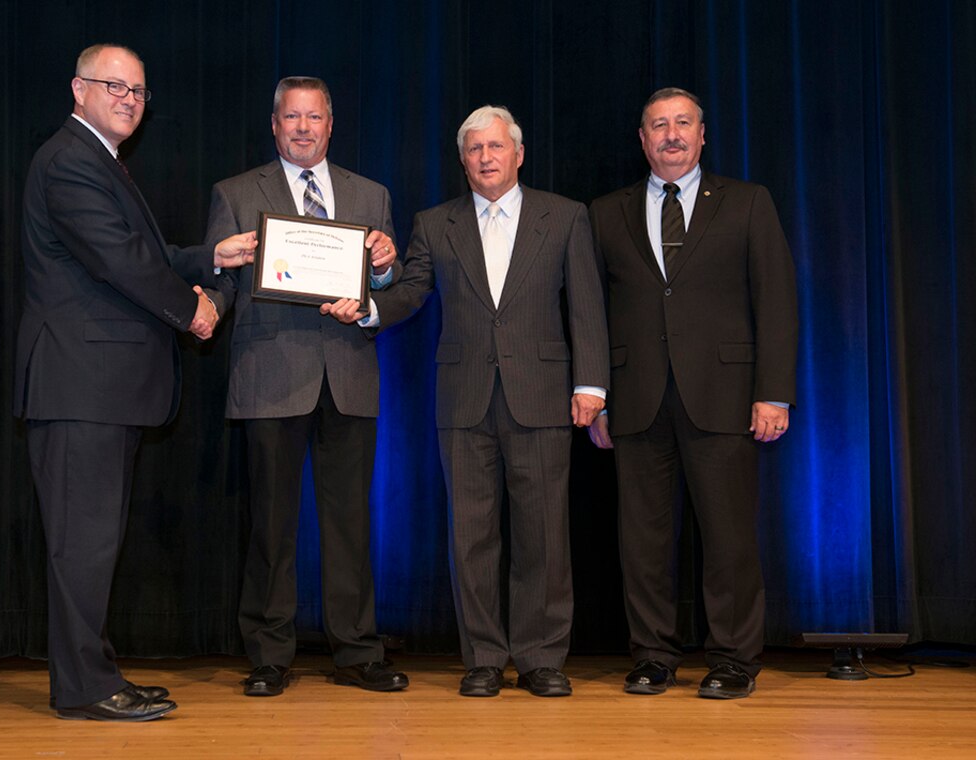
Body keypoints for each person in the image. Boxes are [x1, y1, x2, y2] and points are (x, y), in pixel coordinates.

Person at [14, 43, 255, 721]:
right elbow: (123, 264)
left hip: (99, 386)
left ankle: (92, 675)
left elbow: (142, 255)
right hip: (80, 384)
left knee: (92, 544)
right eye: (113, 86)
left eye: (138, 91)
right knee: (82, 545)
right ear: (78, 89)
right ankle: (87, 689)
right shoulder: (69, 162)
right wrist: (195, 309)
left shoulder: (98, 161)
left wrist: (213, 254)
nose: (127, 99)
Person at [366, 105, 609, 697]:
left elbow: (586, 303)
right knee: (470, 535)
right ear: (463, 160)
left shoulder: (566, 216)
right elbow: (412, 291)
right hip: (464, 400)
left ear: (518, 154)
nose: (486, 158)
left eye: (496, 147)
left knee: (544, 535)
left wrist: (592, 385)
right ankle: (481, 657)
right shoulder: (435, 222)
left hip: (543, 395)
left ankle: (541, 657)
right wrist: (371, 307)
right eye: (474, 149)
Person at [587, 87, 798, 699]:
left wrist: (774, 394)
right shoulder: (606, 212)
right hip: (636, 397)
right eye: (659, 125)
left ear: (703, 135)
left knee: (729, 535)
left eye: (683, 124)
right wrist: (596, 392)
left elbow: (777, 303)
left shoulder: (748, 203)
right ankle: (653, 655)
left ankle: (733, 657)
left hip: (726, 396)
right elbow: (592, 312)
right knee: (642, 541)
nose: (671, 134)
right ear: (643, 139)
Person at [205, 76, 407, 696]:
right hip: (269, 378)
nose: (302, 128)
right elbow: (220, 281)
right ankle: (269, 654)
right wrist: (212, 274)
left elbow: (390, 284)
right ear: (274, 124)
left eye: (312, 117)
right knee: (271, 526)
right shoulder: (236, 193)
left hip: (346, 375)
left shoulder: (370, 195)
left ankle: (356, 651)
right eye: (290, 117)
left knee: (351, 525)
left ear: (330, 123)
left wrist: (386, 265)